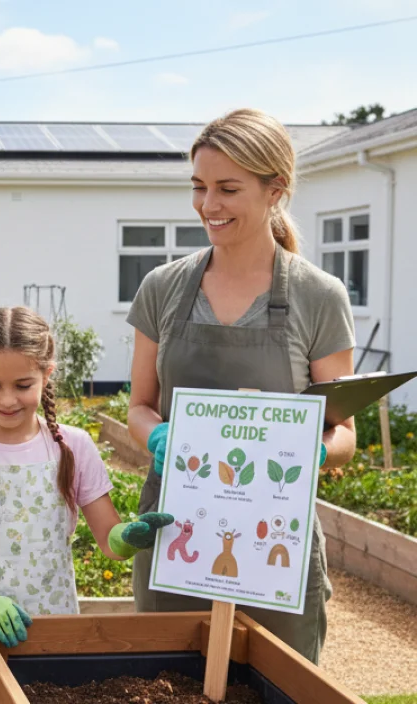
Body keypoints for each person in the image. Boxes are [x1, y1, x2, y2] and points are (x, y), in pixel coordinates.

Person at [126, 108, 357, 663]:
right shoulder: (162, 287)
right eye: (199, 187)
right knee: (166, 685)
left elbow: (344, 434)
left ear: (275, 190)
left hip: (273, 535)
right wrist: (158, 436)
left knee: (277, 685)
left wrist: (306, 451)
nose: (209, 204)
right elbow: (139, 406)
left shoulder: (318, 296)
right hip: (175, 529)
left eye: (228, 189)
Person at [0, 307, 172, 647]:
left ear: (47, 374)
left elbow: (108, 537)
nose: (8, 399)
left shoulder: (74, 446)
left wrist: (125, 539)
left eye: (23, 385)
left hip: (55, 624)